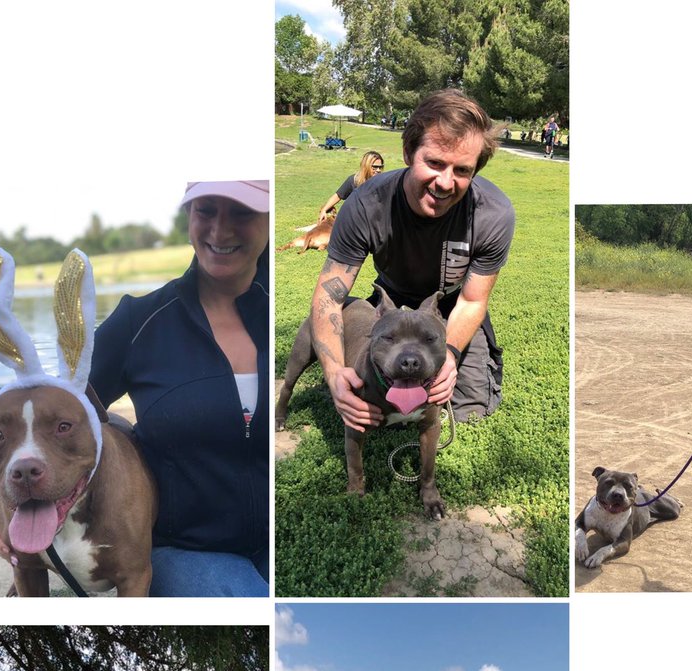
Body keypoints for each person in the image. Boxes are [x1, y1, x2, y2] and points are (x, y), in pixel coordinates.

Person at [87, 181, 269, 596]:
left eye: (241, 212)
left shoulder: (275, 313)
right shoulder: (139, 321)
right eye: (205, 210)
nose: (220, 232)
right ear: (189, 215)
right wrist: (11, 514)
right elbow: (59, 409)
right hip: (181, 550)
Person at [309, 89, 515, 428]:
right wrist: (334, 374)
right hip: (393, 303)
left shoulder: (493, 213)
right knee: (369, 389)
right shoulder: (365, 205)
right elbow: (328, 298)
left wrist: (450, 355)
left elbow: (473, 300)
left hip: (450, 305)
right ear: (408, 153)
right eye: (434, 163)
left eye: (462, 170)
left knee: (469, 410)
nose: (446, 183)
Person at [317, 151, 384, 224]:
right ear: (366, 166)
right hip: (355, 222)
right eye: (374, 167)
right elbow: (338, 195)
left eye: (380, 167)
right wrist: (324, 209)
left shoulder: (383, 182)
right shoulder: (354, 180)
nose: (378, 170)